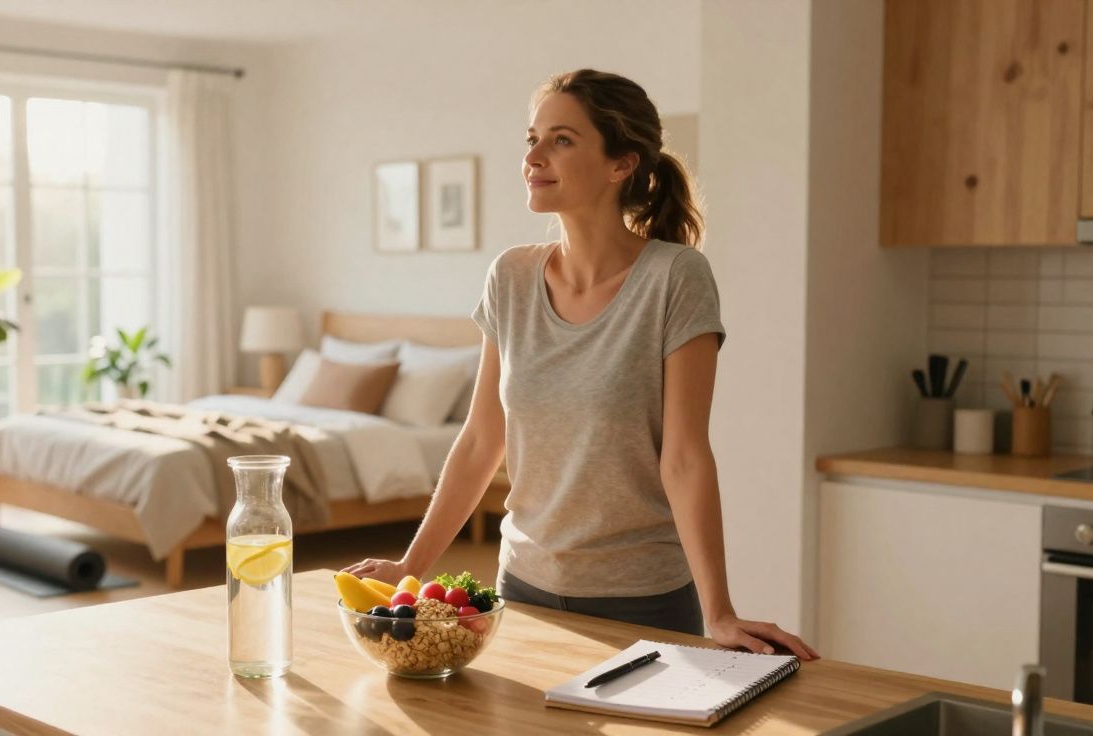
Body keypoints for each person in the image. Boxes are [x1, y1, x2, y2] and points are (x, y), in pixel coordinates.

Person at [344, 69, 818, 661]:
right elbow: (481, 440)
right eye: (532, 139)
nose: (534, 156)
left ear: (621, 163)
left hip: (644, 600)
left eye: (562, 140)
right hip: (522, 589)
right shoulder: (511, 277)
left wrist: (719, 610)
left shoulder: (675, 278)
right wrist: (411, 566)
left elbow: (686, 456)